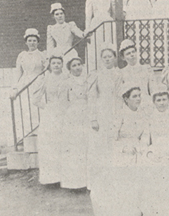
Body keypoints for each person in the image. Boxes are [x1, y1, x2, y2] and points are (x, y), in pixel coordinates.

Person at [90, 84, 150, 216]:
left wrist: (141, 146)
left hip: (138, 149)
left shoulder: (143, 113)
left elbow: (146, 134)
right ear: (126, 99)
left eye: (139, 95)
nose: (138, 99)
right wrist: (124, 148)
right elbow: (112, 137)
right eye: (134, 96)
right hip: (121, 150)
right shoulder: (119, 114)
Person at [140, 84, 169, 216]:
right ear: (154, 102)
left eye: (164, 99)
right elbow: (144, 140)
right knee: (152, 172)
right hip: (155, 153)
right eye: (158, 100)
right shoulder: (150, 118)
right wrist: (149, 154)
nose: (161, 103)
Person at [87, 45, 122, 190]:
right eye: (105, 57)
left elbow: (121, 94)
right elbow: (92, 97)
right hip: (101, 110)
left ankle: (115, 179)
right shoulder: (96, 75)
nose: (108, 59)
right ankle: (100, 180)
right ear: (101, 60)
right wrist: (93, 118)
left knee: (115, 141)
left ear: (114, 58)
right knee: (100, 144)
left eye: (110, 56)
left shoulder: (119, 74)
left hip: (115, 108)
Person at [33, 55, 66, 185]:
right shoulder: (46, 79)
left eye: (59, 63)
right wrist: (47, 107)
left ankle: (65, 176)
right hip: (51, 114)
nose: (56, 65)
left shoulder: (67, 78)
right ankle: (52, 178)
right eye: (54, 63)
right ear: (50, 65)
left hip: (65, 112)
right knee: (51, 144)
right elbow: (35, 99)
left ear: (62, 65)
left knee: (64, 143)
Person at [59, 58, 88, 189]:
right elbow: (63, 103)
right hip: (73, 116)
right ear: (69, 68)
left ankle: (87, 181)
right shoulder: (66, 83)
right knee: (75, 147)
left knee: (86, 145)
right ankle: (75, 182)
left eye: (79, 65)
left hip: (86, 113)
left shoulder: (87, 81)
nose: (77, 68)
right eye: (74, 65)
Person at [11, 28, 46, 133]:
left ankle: (39, 131)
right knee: (26, 108)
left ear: (38, 42)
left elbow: (47, 70)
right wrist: (15, 87)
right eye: (30, 40)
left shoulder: (42, 54)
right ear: (26, 42)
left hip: (39, 82)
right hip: (25, 83)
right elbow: (18, 72)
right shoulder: (22, 55)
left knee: (37, 107)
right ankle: (27, 133)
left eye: (34, 40)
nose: (32, 43)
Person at [85, 0, 117, 72]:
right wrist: (88, 30)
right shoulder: (92, 0)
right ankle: (98, 68)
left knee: (109, 44)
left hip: (108, 25)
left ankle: (110, 66)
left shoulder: (110, 0)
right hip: (97, 25)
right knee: (97, 46)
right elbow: (88, 17)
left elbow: (114, 15)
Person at [47, 3, 84, 69]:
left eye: (61, 13)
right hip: (58, 53)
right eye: (57, 14)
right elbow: (50, 45)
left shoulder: (70, 25)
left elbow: (79, 33)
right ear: (53, 16)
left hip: (70, 52)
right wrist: (49, 58)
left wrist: (85, 34)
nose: (60, 16)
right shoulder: (51, 28)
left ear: (64, 15)